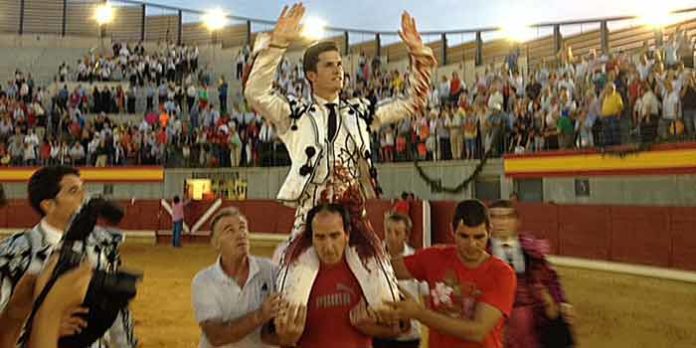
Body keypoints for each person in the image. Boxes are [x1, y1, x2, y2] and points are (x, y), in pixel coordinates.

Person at [244, 3, 436, 238]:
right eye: (328, 65)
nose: (338, 70)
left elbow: (412, 102)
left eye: (339, 65)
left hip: (353, 219)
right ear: (311, 76)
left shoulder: (361, 112)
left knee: (379, 275)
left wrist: (419, 56)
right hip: (309, 220)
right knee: (295, 276)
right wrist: (277, 45)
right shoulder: (294, 113)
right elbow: (256, 93)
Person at [0, 165, 138, 347]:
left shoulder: (103, 244)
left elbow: (119, 312)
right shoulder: (15, 252)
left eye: (83, 189)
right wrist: (43, 326)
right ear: (48, 205)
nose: (84, 197)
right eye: (74, 191)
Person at [262, 203, 403, 348]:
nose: (328, 247)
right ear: (312, 238)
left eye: (335, 236)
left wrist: (371, 328)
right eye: (320, 237)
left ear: (347, 234)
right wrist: (287, 338)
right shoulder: (293, 276)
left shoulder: (369, 270)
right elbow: (266, 335)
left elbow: (398, 329)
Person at [388, 200, 516, 348]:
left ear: (489, 232)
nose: (472, 244)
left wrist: (419, 313)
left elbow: (477, 331)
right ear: (452, 231)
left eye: (479, 237)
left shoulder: (501, 273)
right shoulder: (434, 257)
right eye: (464, 236)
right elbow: (384, 270)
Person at [488, 200, 575, 348]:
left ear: (517, 221)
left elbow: (551, 277)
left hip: (531, 320)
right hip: (495, 319)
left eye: (506, 217)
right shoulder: (480, 251)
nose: (500, 222)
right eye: (494, 217)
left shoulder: (531, 248)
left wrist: (561, 301)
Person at [191, 207, 280, 348]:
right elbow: (216, 336)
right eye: (229, 230)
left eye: (242, 228)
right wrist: (260, 315)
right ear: (215, 243)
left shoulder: (271, 270)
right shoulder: (204, 281)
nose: (240, 235)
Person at [373, 213, 427, 348]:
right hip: (381, 332)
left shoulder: (417, 260)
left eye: (397, 232)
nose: (391, 237)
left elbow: (425, 299)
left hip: (408, 336)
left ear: (406, 235)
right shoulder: (373, 258)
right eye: (388, 231)